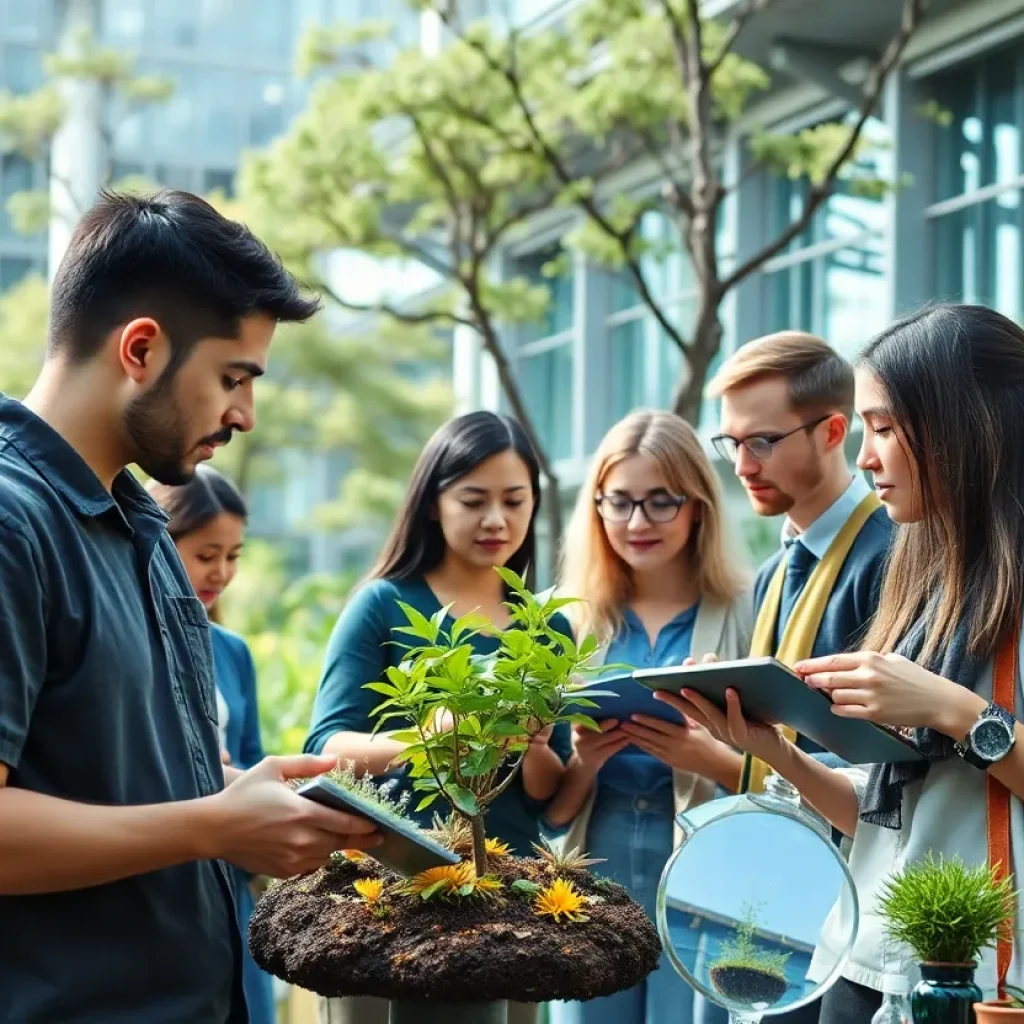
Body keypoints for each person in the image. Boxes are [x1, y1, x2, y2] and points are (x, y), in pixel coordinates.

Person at [0, 190, 381, 1024]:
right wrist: (213, 827)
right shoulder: (11, 521)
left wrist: (255, 793)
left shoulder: (139, 518)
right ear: (141, 348)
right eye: (232, 378)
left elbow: (124, 776)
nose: (243, 413)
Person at [667, 304, 1024, 1023]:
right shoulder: (927, 582)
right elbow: (887, 823)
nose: (866, 456)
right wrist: (775, 753)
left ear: (970, 424)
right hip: (865, 956)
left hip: (976, 978)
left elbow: (968, 745)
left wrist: (953, 711)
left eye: (886, 428)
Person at [305, 409, 573, 1024]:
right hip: (389, 891)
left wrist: (534, 748)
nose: (496, 520)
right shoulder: (385, 603)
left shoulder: (545, 626)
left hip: (508, 903)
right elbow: (326, 746)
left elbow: (539, 797)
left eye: (515, 499)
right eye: (473, 500)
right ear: (432, 503)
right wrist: (433, 736)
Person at [546, 410, 752, 1024]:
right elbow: (547, 804)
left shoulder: (747, 606)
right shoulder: (565, 618)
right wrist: (583, 761)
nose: (637, 522)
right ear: (597, 507)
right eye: (620, 501)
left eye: (661, 501)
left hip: (711, 866)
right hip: (594, 863)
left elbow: (787, 770)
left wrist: (703, 756)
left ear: (698, 507)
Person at [706, 332, 893, 791]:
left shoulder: (895, 553)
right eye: (732, 443)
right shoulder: (771, 575)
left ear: (831, 432)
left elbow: (892, 751)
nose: (742, 467)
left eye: (762, 442)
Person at [149, 465, 276, 1024]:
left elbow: (251, 753)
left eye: (234, 556)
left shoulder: (231, 651)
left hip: (232, 877)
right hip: (158, 869)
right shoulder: (135, 641)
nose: (221, 572)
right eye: (206, 554)